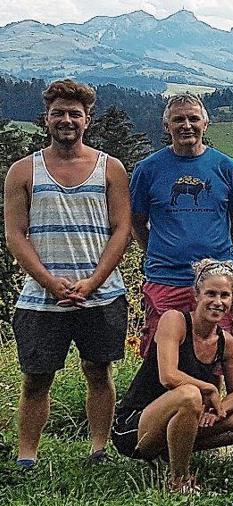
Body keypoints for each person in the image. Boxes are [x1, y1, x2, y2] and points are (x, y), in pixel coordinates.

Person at [4, 79, 131, 468]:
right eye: (58, 113)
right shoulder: (23, 171)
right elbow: (15, 234)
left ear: (86, 119)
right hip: (42, 296)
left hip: (102, 292)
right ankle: (27, 456)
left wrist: (93, 283)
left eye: (74, 113)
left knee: (98, 369)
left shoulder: (111, 169)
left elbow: (122, 230)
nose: (66, 120)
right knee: (36, 378)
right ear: (46, 118)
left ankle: (98, 449)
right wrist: (48, 281)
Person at [111, 260, 233, 492]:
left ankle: (176, 448)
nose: (218, 302)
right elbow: (168, 376)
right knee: (190, 395)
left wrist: (220, 412)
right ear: (196, 295)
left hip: (189, 414)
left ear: (232, 300)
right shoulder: (175, 320)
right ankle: (179, 480)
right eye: (211, 294)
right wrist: (208, 389)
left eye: (225, 295)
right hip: (137, 424)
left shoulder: (226, 342)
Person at [130, 93, 233, 354]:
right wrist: (158, 252)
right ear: (166, 126)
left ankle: (211, 397)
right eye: (178, 120)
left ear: (206, 123)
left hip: (216, 279)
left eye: (193, 119)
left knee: (215, 352)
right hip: (166, 277)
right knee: (159, 356)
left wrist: (222, 255)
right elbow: (137, 221)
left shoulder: (226, 167)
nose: (186, 125)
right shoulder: (148, 169)